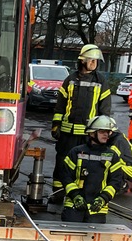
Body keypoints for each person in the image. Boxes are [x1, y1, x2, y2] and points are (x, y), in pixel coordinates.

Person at [50, 44, 111, 202]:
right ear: (83, 60)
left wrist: (103, 132)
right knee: (63, 164)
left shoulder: (101, 81)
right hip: (67, 134)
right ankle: (58, 194)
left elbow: (105, 110)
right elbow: (60, 106)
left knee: (86, 166)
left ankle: (82, 196)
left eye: (96, 61)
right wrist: (56, 125)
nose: (94, 63)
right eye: (92, 60)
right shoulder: (70, 80)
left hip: (87, 135)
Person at [58, 115, 124, 223]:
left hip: (97, 209)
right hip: (74, 206)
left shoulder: (112, 156)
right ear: (92, 133)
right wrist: (75, 196)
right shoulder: (76, 152)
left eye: (108, 132)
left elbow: (116, 181)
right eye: (102, 131)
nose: (106, 135)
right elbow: (65, 176)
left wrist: (103, 198)